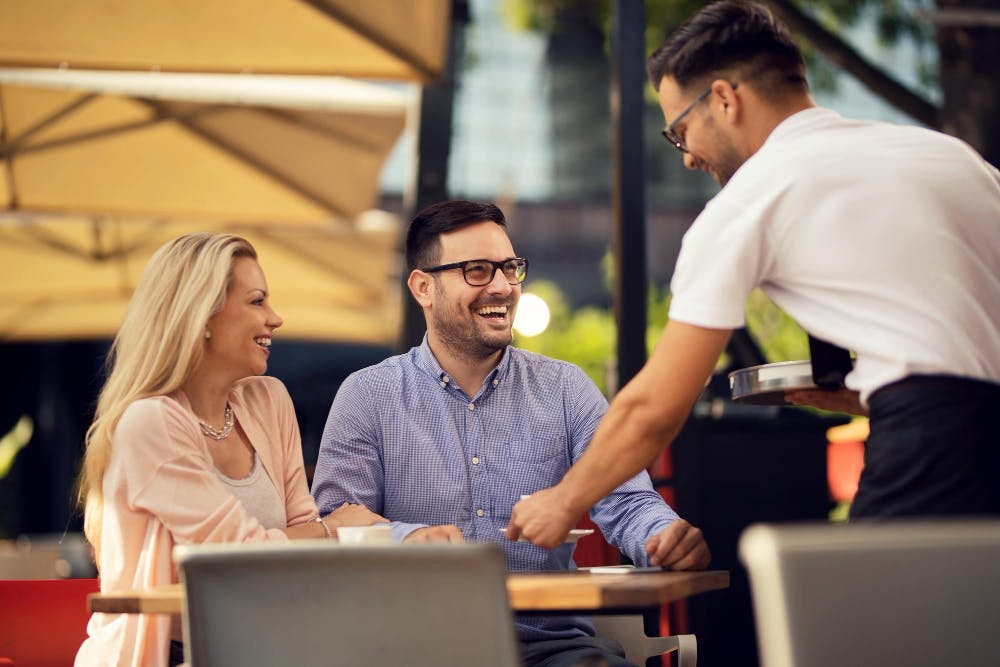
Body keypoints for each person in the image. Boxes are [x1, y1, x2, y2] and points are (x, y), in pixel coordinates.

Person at [507, 0, 1000, 548]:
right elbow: (962, 350)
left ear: (723, 99)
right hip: (958, 437)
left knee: (872, 631)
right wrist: (870, 392)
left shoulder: (749, 200)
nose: (687, 157)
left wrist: (563, 500)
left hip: (929, 452)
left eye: (680, 131)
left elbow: (654, 407)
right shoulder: (951, 157)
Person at [311, 200, 710, 667]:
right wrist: (410, 538)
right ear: (423, 287)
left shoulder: (565, 388)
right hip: (412, 649)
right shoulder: (367, 395)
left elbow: (627, 502)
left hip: (554, 650)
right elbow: (334, 521)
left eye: (509, 268)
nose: (502, 287)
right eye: (477, 270)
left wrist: (663, 537)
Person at [74, 233, 385, 667]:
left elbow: (298, 539)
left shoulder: (268, 400)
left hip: (255, 644)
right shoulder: (149, 422)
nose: (275, 318)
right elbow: (234, 557)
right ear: (202, 315)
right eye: (257, 301)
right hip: (162, 653)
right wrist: (333, 528)